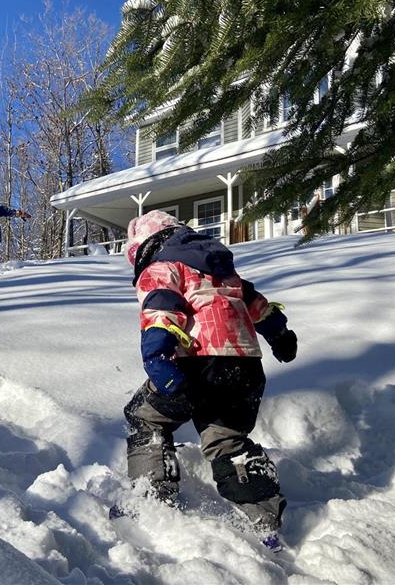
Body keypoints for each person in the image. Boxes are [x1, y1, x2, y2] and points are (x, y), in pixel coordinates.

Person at [121, 210, 298, 550]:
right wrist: (281, 336)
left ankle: (152, 498)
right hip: (245, 367)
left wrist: (157, 359)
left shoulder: (162, 267)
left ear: (146, 247)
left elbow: (161, 310)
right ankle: (265, 518)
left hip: (197, 363)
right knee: (226, 440)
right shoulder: (222, 271)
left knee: (145, 417)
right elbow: (258, 305)